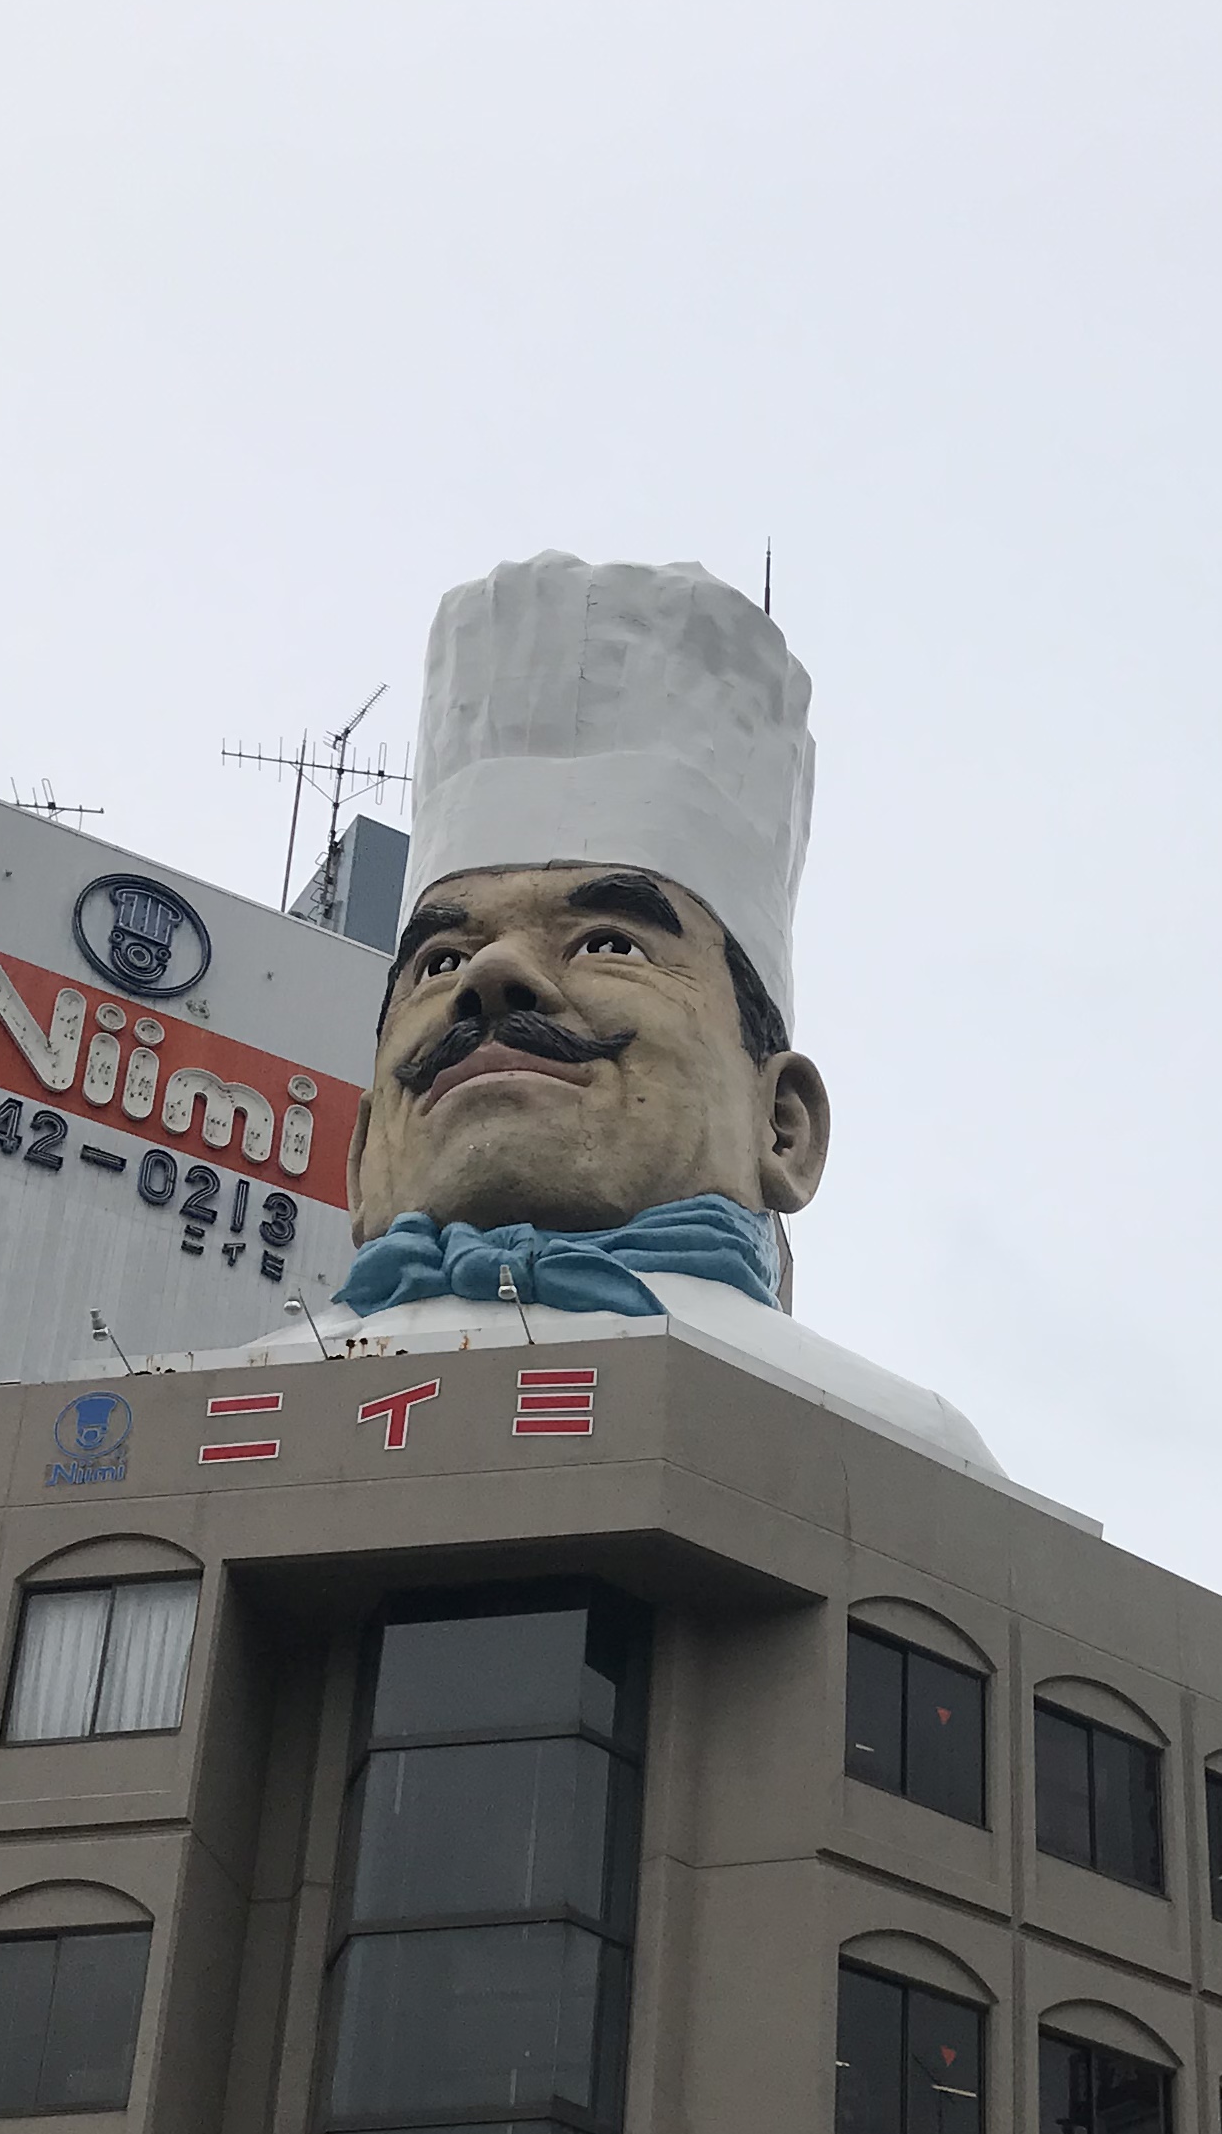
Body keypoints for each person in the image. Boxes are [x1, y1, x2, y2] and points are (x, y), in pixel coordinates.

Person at [275, 552, 1004, 1478]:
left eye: (607, 943)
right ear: (359, 1153)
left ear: (783, 1125)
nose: (491, 977)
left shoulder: (895, 1456)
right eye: (441, 959)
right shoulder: (195, 1419)